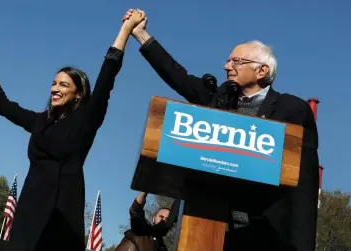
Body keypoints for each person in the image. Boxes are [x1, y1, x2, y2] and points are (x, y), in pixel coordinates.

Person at [123, 9, 320, 251]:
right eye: (228, 60)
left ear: (262, 71)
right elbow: (178, 76)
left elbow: (305, 189)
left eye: (236, 61)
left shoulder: (292, 110)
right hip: (209, 232)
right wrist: (142, 35)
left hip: (264, 238)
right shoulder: (217, 101)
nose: (227, 66)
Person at [0, 12, 145, 251]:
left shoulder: (87, 119)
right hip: (29, 212)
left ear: (78, 94)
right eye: (54, 83)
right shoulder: (41, 122)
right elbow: (2, 104)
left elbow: (108, 72)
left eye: (63, 85)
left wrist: (126, 30)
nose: (55, 89)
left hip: (63, 216)